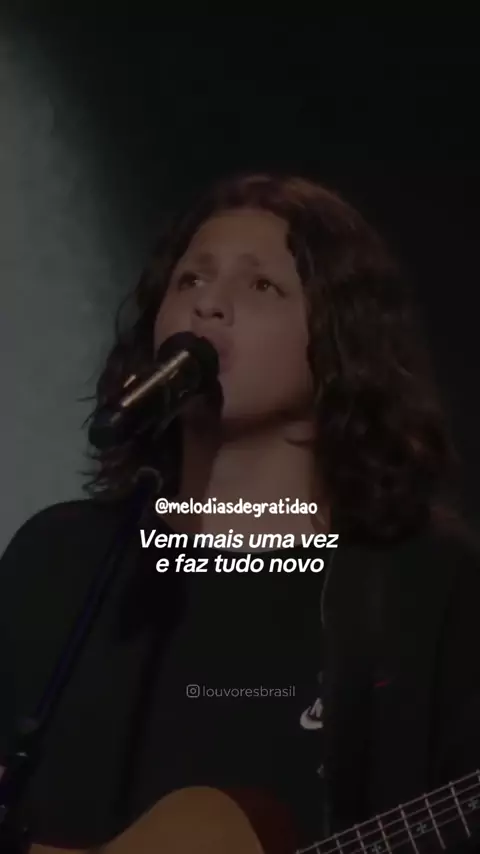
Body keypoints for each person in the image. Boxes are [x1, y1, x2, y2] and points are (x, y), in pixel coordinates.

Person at [0, 172, 479, 853]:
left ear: (339, 340)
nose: (208, 305)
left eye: (261, 286)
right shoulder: (59, 560)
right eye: (191, 279)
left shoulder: (425, 583)